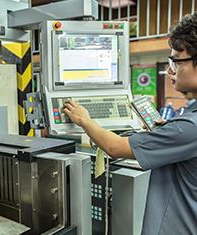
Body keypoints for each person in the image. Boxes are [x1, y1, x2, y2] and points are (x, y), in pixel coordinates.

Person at [63, 13, 197, 235]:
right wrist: (166, 132)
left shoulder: (189, 127)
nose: (170, 70)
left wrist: (84, 119)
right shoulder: (187, 122)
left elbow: (115, 148)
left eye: (176, 61)